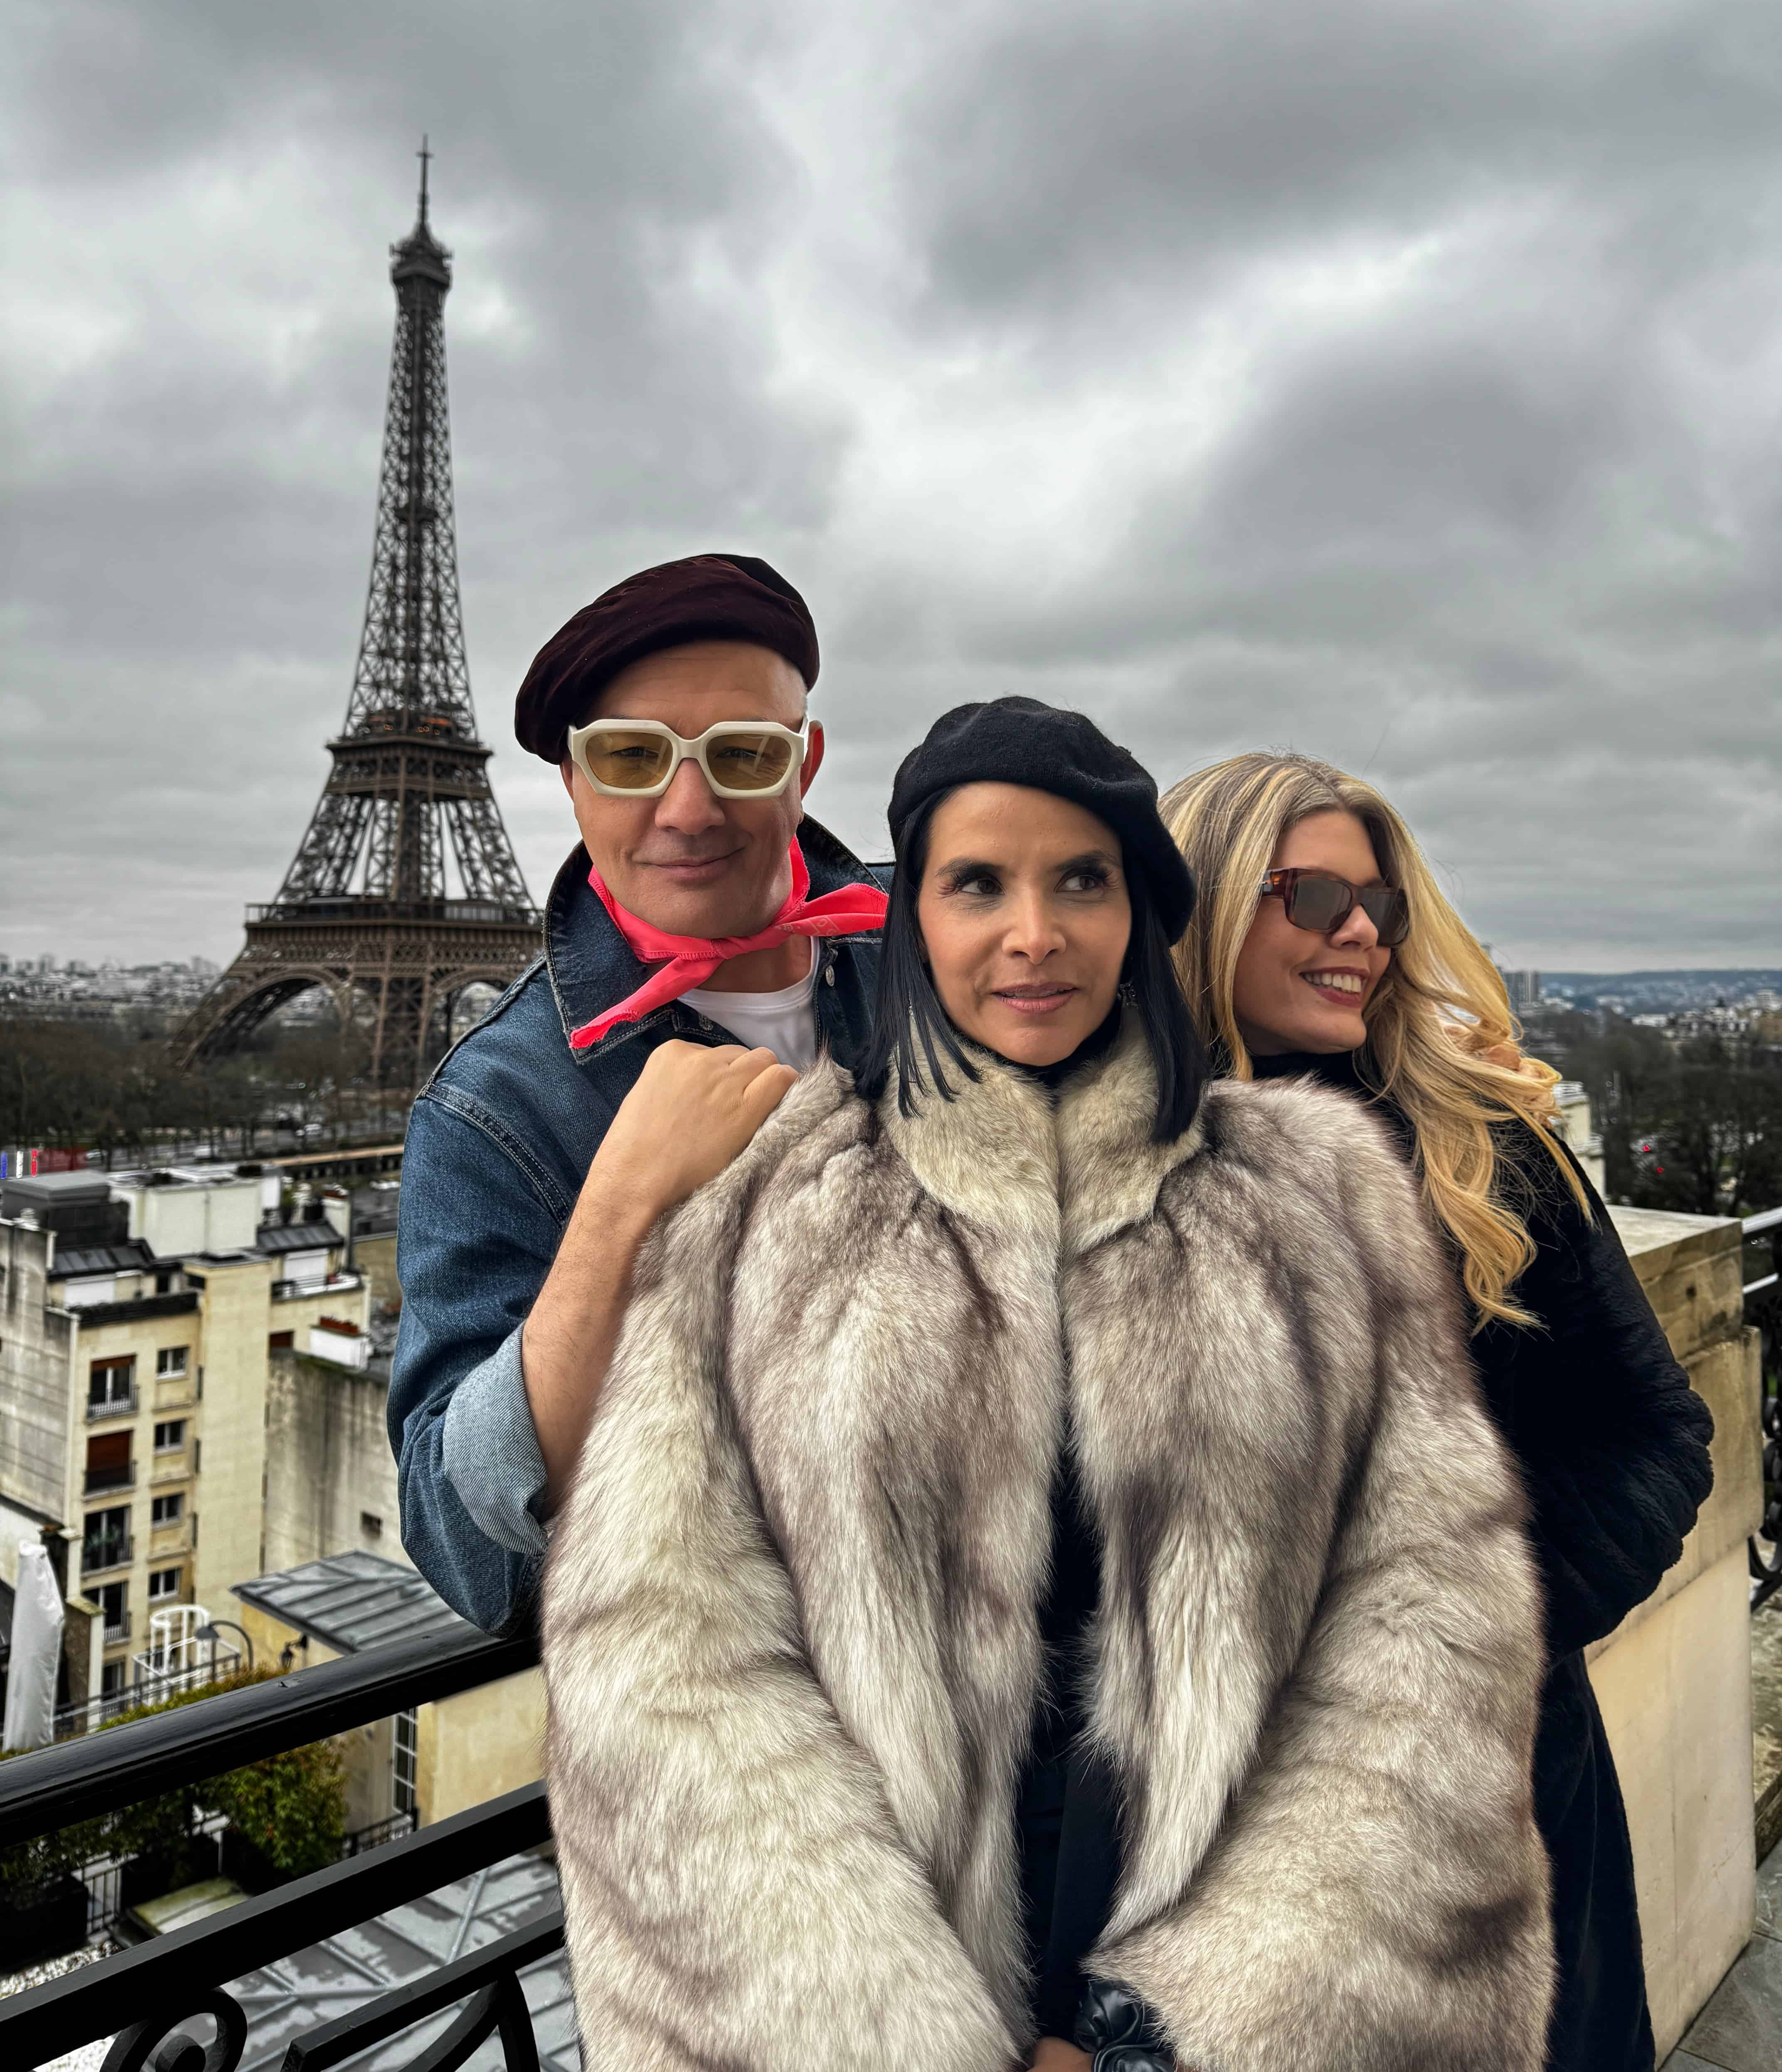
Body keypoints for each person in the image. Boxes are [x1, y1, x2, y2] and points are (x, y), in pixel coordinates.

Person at [543, 697, 1556, 2072]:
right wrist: (886, 2031)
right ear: (914, 921)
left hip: (1246, 1993)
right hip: (873, 1986)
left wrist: (1186, 2030)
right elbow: (658, 1656)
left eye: (1082, 879)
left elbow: (1427, 1624)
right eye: (976, 884)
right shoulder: (754, 1200)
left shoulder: (1326, 1190)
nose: (1034, 933)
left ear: (1140, 913)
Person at [1159, 750, 1715, 2072]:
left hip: (1503, 1783)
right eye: (1310, 897)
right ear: (1204, 905)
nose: (1359, 932)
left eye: (1380, 904)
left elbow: (1656, 1434)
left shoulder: (1484, 1140)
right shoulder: (1105, 1162)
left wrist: (1470, 1633)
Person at [389, 552, 889, 1634]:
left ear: (802, 763)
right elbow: (472, 1557)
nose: (689, 806)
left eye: (742, 754)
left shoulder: (944, 948)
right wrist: (619, 1205)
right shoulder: (497, 1105)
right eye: (630, 756)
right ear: (572, 782)